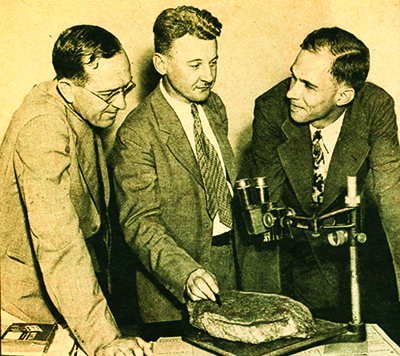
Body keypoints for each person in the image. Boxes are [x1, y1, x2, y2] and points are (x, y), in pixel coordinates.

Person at [0, 25, 153, 356]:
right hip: (26, 306)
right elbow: (59, 243)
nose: (123, 103)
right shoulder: (42, 127)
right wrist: (104, 339)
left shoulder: (79, 105)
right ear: (68, 88)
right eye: (110, 94)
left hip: (66, 300)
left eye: (125, 88)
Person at [246, 27, 400, 319]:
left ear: (343, 96)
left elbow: (392, 199)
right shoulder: (270, 108)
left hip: (354, 257)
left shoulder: (375, 107)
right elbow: (267, 212)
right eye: (294, 76)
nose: (292, 92)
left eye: (308, 85)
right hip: (296, 257)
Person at [110, 5, 238, 324]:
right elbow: (140, 224)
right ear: (161, 64)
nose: (208, 75)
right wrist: (186, 274)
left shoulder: (214, 106)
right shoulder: (137, 133)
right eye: (195, 64)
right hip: (176, 288)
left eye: (213, 62)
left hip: (231, 271)